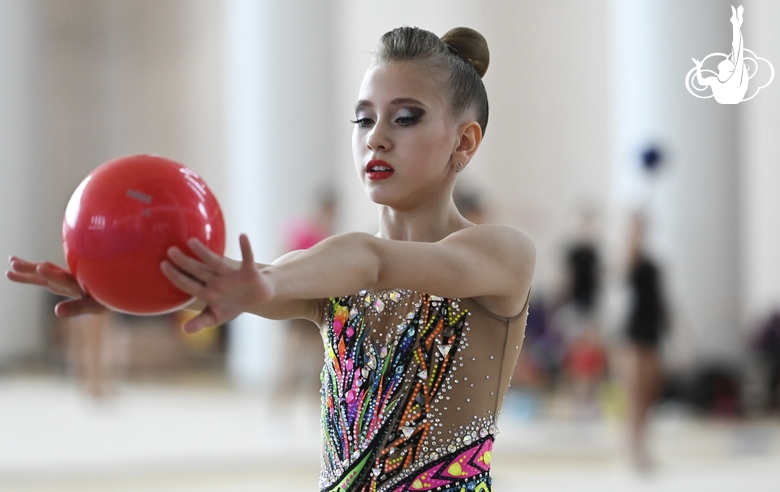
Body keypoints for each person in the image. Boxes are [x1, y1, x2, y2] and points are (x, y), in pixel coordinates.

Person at [7, 26, 535, 491]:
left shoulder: (502, 255)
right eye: (362, 119)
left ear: (464, 142)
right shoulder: (332, 275)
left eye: (404, 118)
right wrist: (124, 278)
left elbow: (372, 261)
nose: (375, 138)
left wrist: (267, 282)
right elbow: (247, 279)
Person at [621, 212, 667, 472]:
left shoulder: (653, 263)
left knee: (650, 392)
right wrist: (631, 236)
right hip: (636, 331)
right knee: (636, 393)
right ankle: (634, 447)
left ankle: (645, 444)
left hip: (653, 330)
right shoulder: (632, 258)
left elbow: (661, 299)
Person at [692, 5, 748, 104]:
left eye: (728, 61)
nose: (725, 59)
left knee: (736, 50)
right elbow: (701, 82)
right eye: (729, 61)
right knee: (736, 50)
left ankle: (736, 23)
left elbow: (737, 49)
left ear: (729, 69)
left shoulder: (732, 78)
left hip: (732, 96)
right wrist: (698, 67)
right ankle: (736, 23)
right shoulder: (716, 80)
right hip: (730, 97)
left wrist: (698, 68)